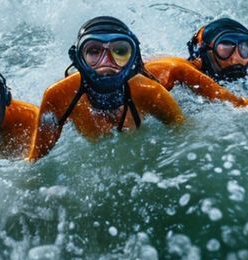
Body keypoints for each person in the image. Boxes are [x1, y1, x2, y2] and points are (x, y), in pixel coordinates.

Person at [28, 16, 185, 161]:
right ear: (78, 58)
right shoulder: (60, 95)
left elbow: (185, 136)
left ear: (133, 57)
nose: (107, 62)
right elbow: (36, 160)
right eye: (94, 51)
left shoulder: (150, 91)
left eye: (120, 51)